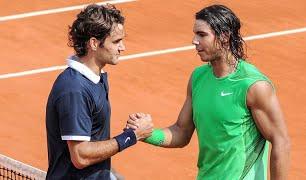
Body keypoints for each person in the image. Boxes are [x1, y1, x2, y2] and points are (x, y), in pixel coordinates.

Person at [126, 4, 291, 180]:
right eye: (195, 33)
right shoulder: (198, 77)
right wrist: (146, 134)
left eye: (202, 35)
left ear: (225, 36)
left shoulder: (252, 86)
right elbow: (181, 132)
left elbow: (281, 142)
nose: (194, 40)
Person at [45, 4, 153, 179]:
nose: (122, 47)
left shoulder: (97, 78)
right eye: (116, 41)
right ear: (94, 43)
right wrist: (132, 136)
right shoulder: (74, 90)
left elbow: (95, 139)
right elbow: (80, 155)